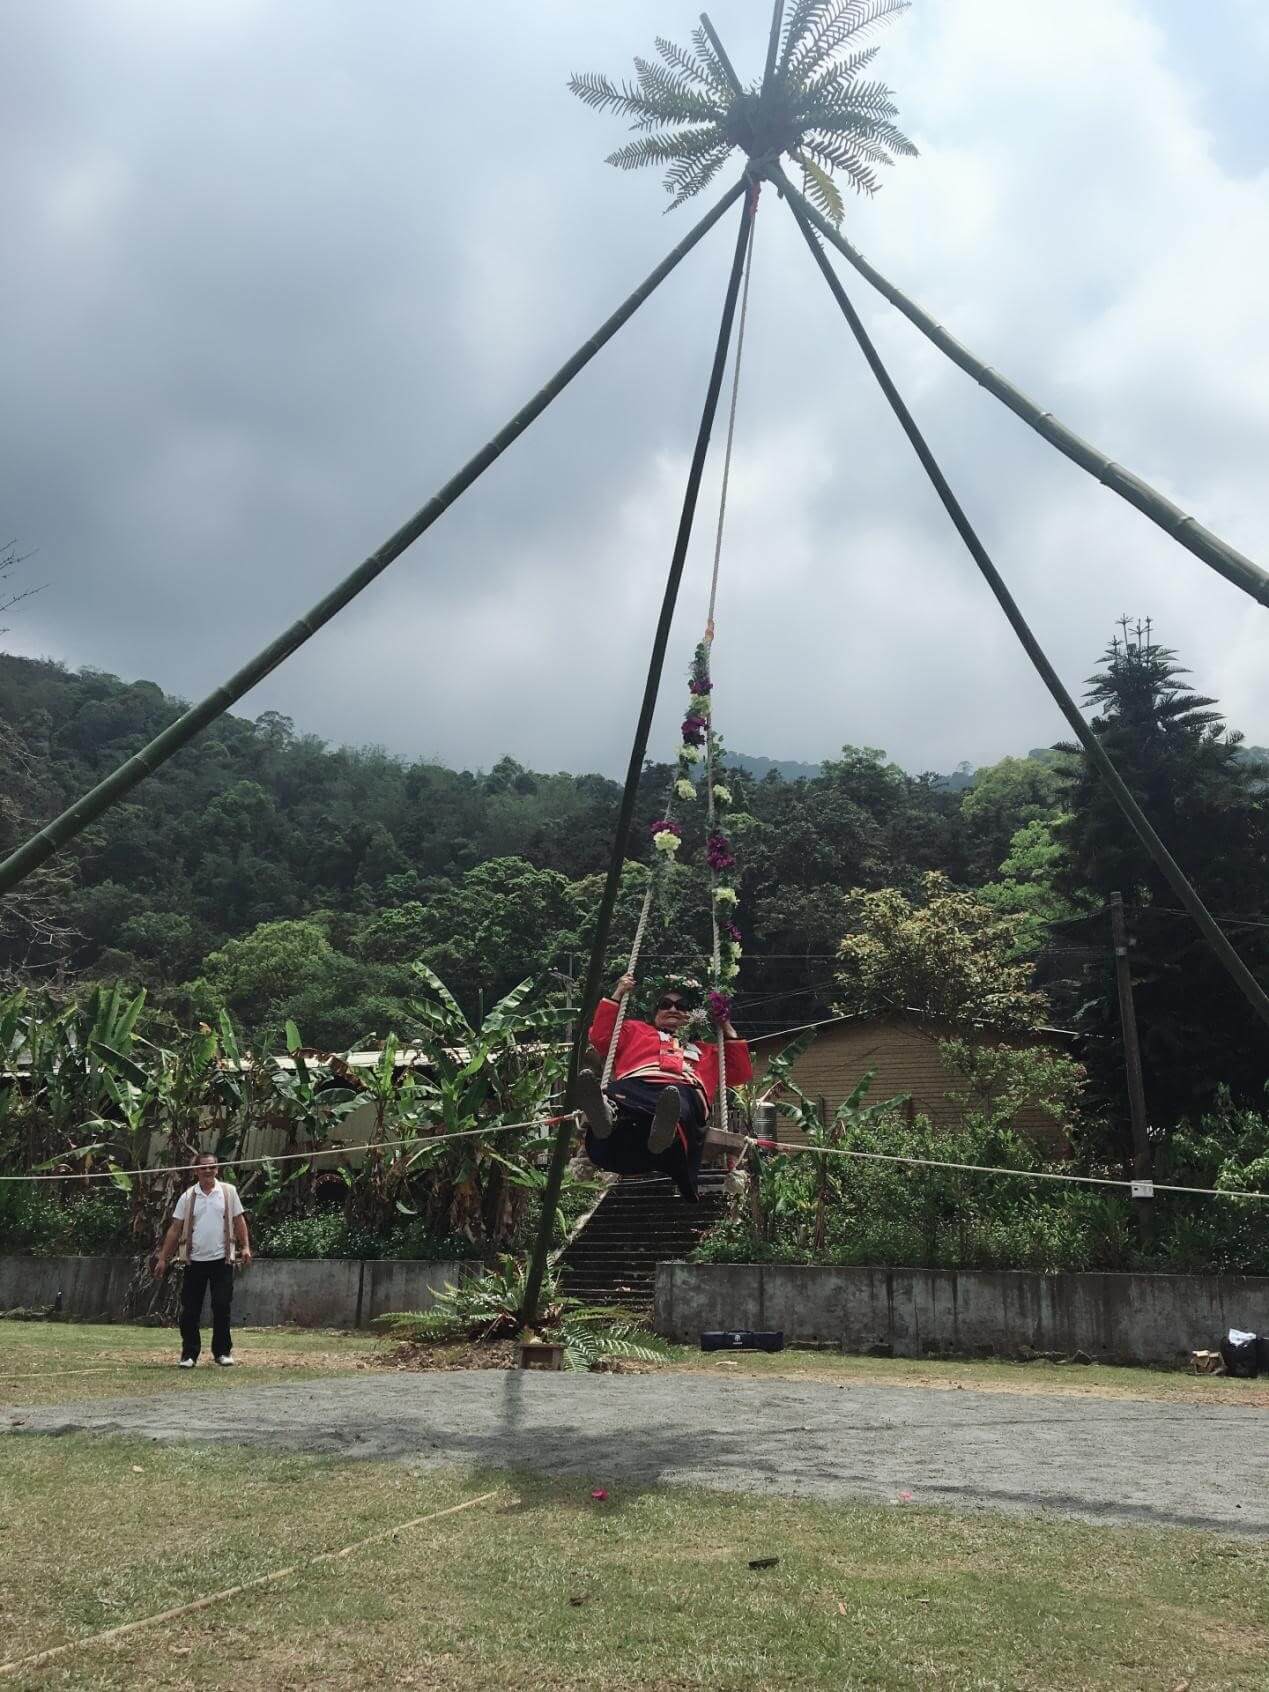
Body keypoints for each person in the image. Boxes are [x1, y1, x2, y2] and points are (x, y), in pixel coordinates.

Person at [576, 973, 752, 1202]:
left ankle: (662, 1130)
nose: (673, 1009)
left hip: (684, 1093)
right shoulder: (635, 1031)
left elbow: (740, 1073)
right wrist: (618, 992)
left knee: (676, 1100)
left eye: (682, 1006)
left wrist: (725, 1024)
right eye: (665, 1004)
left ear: (693, 1015)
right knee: (620, 1094)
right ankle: (605, 1115)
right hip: (635, 1086)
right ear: (655, 1012)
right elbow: (600, 1037)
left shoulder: (708, 1050)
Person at [154, 1152, 251, 1367]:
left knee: (221, 1305)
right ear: (196, 1171)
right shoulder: (188, 1197)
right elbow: (175, 1229)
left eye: (212, 1167)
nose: (208, 1171)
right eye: (204, 1167)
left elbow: (239, 1220)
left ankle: (222, 1352)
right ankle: (189, 1354)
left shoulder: (228, 1192)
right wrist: (163, 1259)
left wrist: (245, 1247)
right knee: (190, 1309)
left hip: (222, 1260)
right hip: (194, 1261)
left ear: (217, 1169)